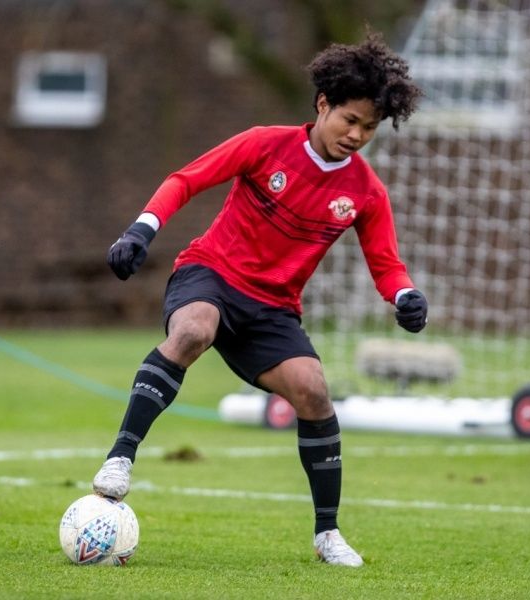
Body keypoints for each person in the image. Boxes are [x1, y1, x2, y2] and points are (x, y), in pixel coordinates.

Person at [92, 33, 428, 566]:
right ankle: (120, 459)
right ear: (323, 104)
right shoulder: (265, 143)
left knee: (315, 392)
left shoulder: (365, 192)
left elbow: (386, 264)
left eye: (369, 127)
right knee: (194, 330)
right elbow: (186, 180)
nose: (358, 134)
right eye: (350, 120)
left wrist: (406, 297)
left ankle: (327, 534)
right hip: (210, 275)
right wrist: (141, 231)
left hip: (272, 310)